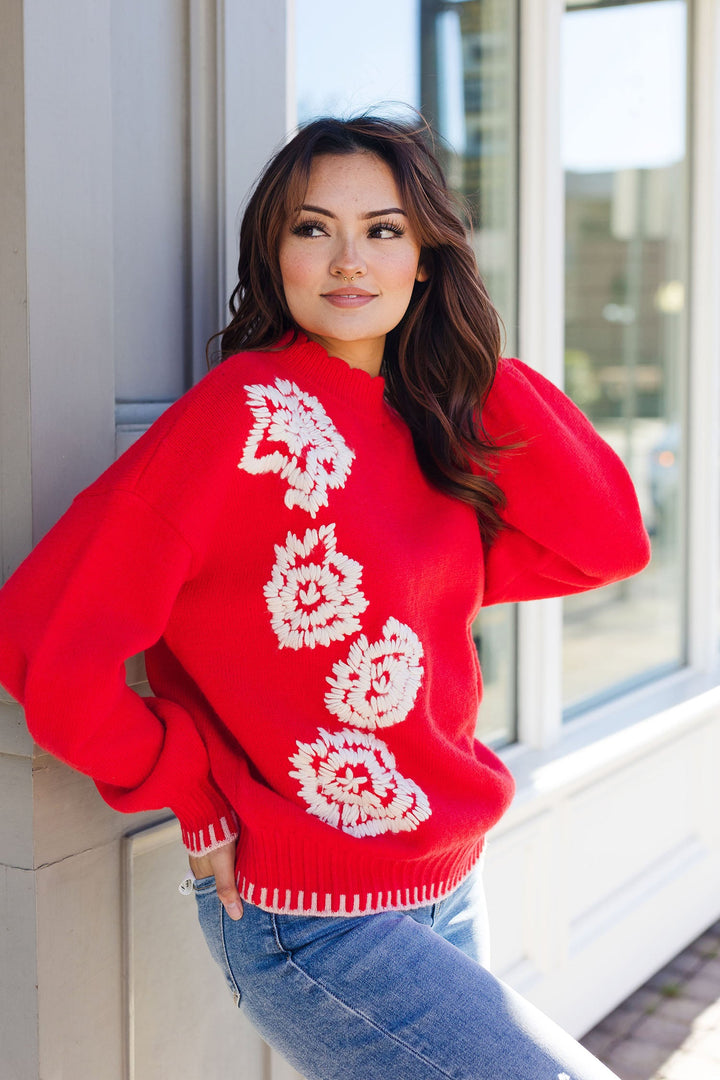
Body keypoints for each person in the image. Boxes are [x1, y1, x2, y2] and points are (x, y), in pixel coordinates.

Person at [0, 114, 649, 1079]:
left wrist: (473, 364)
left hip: (449, 880)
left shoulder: (429, 420)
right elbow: (45, 641)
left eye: (384, 231)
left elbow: (607, 545)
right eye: (313, 229)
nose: (349, 260)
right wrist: (189, 790)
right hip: (318, 925)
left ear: (427, 259)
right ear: (277, 251)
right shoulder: (243, 415)